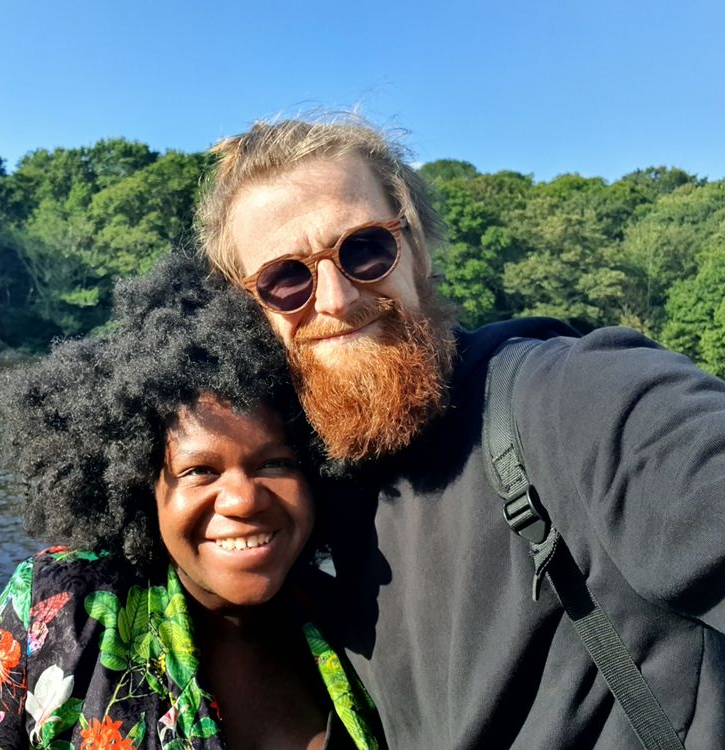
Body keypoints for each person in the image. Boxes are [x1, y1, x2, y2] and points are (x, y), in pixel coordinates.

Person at [194, 116, 725, 748]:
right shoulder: (293, 488)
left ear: (415, 250)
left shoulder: (574, 397)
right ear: (249, 312)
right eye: (287, 280)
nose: (335, 298)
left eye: (365, 248)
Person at [0, 253, 383, 750]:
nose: (242, 500)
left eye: (276, 463)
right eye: (199, 471)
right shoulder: (60, 610)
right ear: (141, 484)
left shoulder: (359, 625)